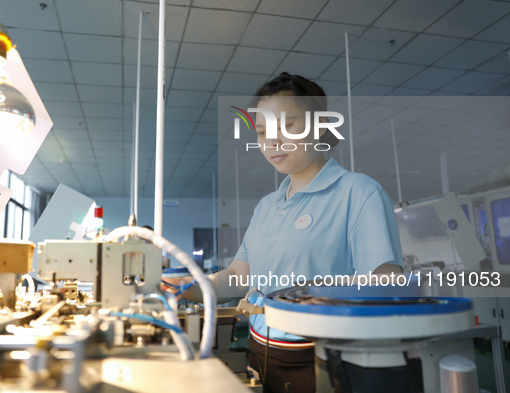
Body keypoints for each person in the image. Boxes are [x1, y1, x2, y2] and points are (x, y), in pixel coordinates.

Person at [165, 72, 403, 393]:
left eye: (287, 126)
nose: (272, 142)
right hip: (261, 354)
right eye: (262, 132)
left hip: (322, 359)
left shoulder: (358, 193)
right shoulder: (267, 205)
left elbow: (383, 289)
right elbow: (239, 276)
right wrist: (181, 286)